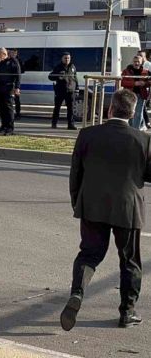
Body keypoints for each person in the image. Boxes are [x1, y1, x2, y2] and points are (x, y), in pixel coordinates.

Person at [61, 89, 151, 332]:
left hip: (92, 206)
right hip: (128, 208)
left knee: (89, 254)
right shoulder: (143, 140)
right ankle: (127, 311)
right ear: (133, 113)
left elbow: (75, 173)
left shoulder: (87, 135)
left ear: (110, 108)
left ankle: (77, 294)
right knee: (130, 260)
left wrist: (77, 202)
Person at [0, 48, 21, 136]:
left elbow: (18, 75)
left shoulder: (12, 61)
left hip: (8, 87)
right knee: (0, 107)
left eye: (0, 54)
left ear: (5, 54)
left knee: (8, 108)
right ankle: (3, 126)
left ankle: (10, 128)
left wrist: (17, 87)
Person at [48, 52, 78, 130]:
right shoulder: (58, 67)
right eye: (65, 58)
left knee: (71, 109)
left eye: (68, 58)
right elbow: (50, 76)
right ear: (62, 59)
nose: (67, 59)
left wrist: (77, 88)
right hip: (60, 91)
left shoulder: (72, 67)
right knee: (57, 108)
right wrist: (58, 76)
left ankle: (70, 125)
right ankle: (54, 123)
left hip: (70, 91)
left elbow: (75, 78)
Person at [121, 55, 151, 129]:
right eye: (135, 61)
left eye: (138, 62)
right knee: (130, 113)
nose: (136, 63)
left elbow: (149, 82)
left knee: (138, 114)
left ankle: (136, 130)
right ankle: (131, 129)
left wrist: (145, 83)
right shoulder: (126, 71)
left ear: (141, 62)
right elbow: (122, 82)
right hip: (129, 95)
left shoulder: (146, 71)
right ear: (132, 62)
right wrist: (134, 83)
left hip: (141, 95)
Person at [137, 50, 151, 127]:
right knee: (142, 106)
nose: (139, 57)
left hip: (147, 89)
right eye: (138, 55)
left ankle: (144, 123)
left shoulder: (149, 65)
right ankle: (146, 122)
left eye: (141, 55)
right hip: (139, 89)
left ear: (145, 57)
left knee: (142, 106)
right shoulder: (137, 65)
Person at [9, 49, 24, 120]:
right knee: (11, 100)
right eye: (12, 52)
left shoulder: (18, 61)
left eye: (15, 53)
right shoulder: (8, 60)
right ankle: (10, 114)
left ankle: (18, 113)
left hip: (15, 83)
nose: (13, 54)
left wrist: (17, 86)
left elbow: (20, 72)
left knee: (17, 100)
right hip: (10, 82)